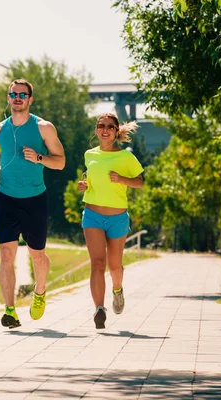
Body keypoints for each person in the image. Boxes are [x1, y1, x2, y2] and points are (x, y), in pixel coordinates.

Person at [0, 79, 65, 328]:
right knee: (6, 254)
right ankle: (10, 310)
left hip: (34, 199)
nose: (17, 97)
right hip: (5, 197)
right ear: (8, 98)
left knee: (37, 255)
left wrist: (39, 157)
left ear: (30, 99)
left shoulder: (44, 128)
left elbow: (60, 162)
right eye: (13, 94)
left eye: (23, 94)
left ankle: (40, 292)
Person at [77, 113, 144, 329]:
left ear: (116, 132)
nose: (105, 130)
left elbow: (139, 182)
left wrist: (121, 179)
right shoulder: (89, 154)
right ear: (96, 130)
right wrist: (85, 184)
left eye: (110, 127)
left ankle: (117, 289)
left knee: (115, 266)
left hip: (117, 217)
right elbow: (92, 178)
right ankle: (99, 308)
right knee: (97, 264)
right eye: (101, 126)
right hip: (93, 215)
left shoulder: (125, 157)